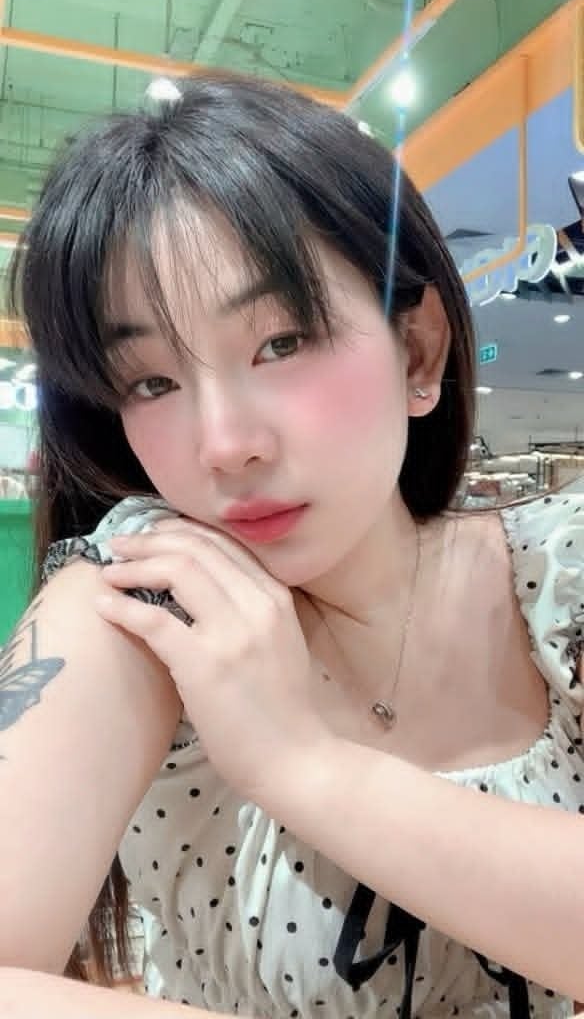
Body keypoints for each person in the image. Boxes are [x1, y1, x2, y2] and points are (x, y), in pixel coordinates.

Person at [1, 73, 584, 1019]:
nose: (224, 444)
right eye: (150, 382)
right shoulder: (144, 602)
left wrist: (303, 764)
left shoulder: (560, 576)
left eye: (280, 342)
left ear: (418, 351)